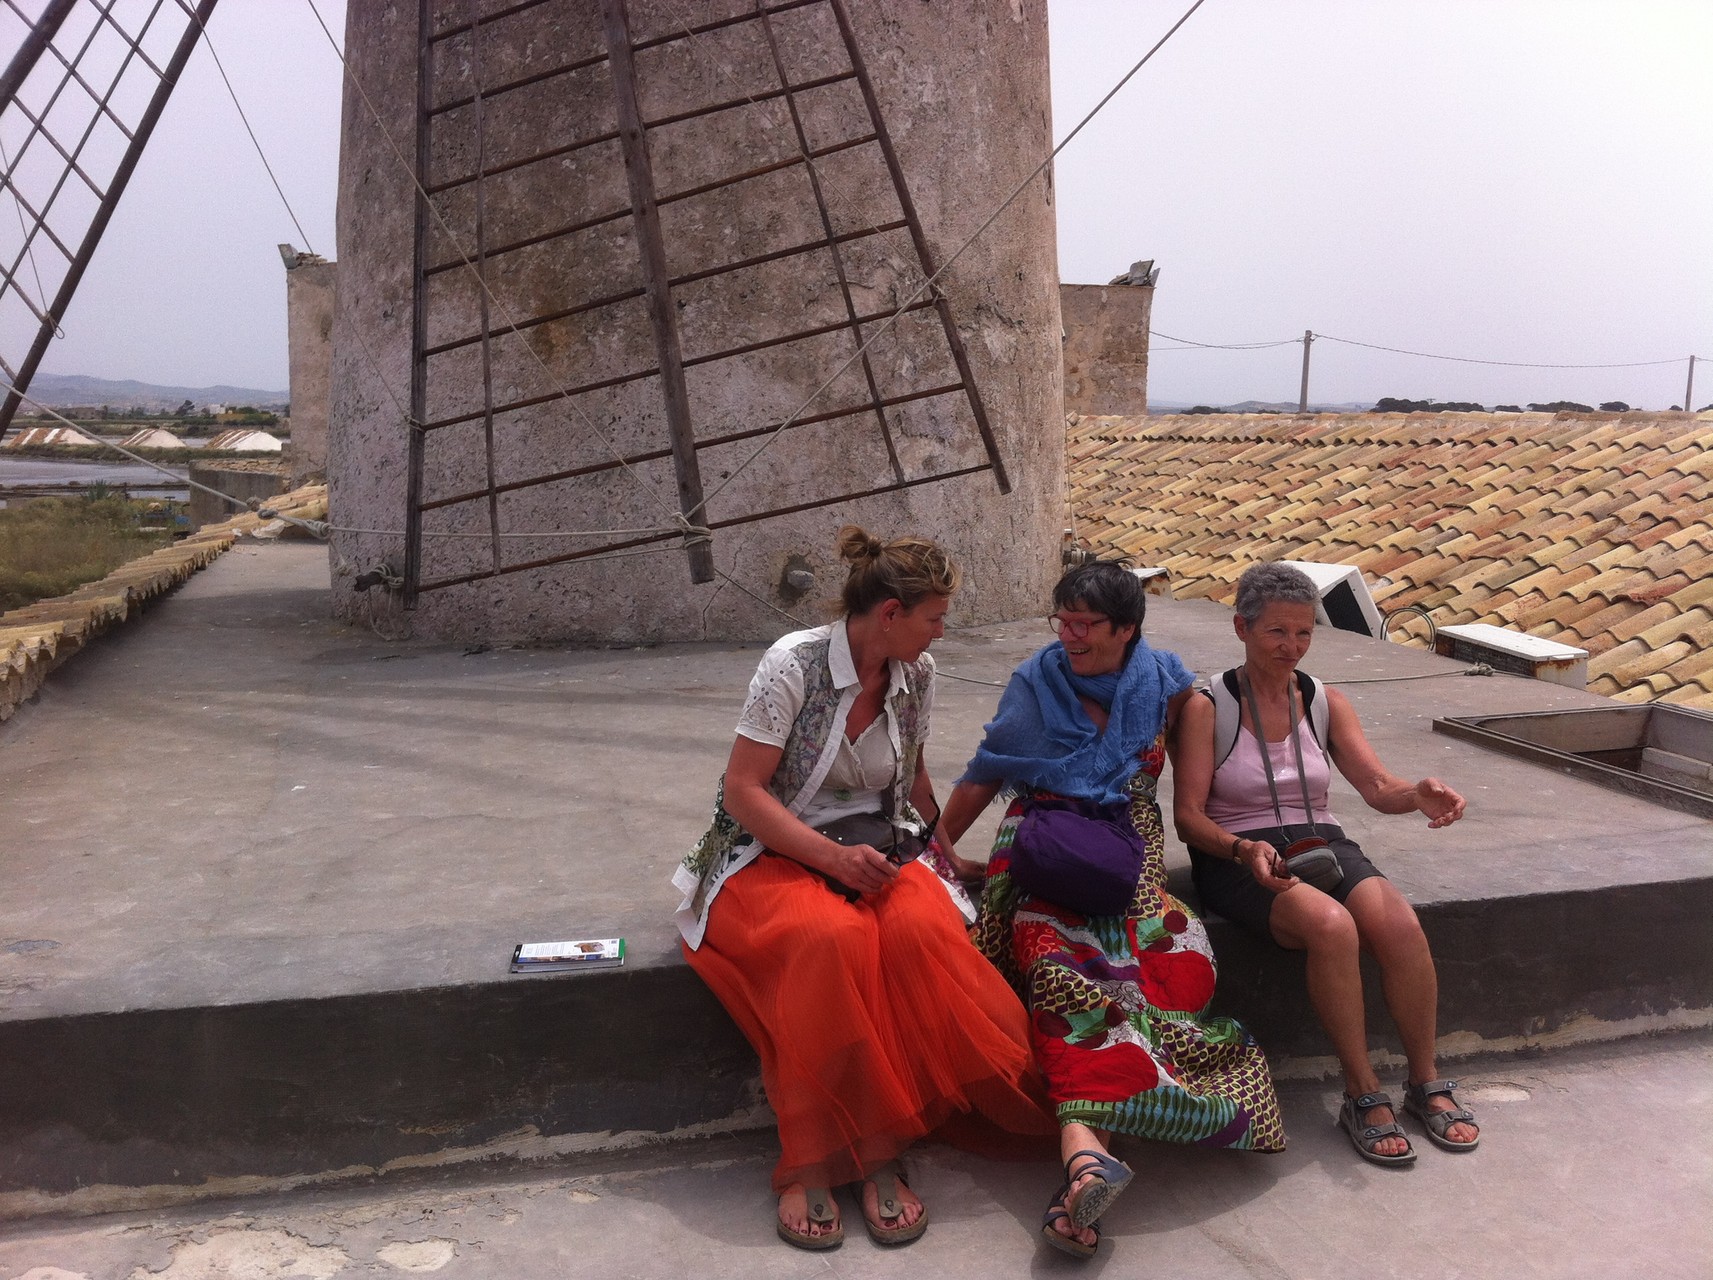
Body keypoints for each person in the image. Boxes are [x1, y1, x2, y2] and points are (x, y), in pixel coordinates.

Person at [673, 526, 1056, 1252]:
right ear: (888, 613)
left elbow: (909, 779)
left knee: (923, 932)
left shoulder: (918, 674)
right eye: (932, 617)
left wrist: (945, 855)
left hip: (875, 849)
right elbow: (745, 791)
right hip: (771, 848)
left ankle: (877, 1145)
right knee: (827, 941)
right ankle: (819, 1158)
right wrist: (828, 859)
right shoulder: (793, 664)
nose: (941, 630)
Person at [940, 561, 1285, 1261]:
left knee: (1159, 972)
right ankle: (1086, 1162)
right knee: (1062, 975)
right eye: (1061, 620)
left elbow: (1187, 810)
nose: (1067, 636)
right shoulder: (1035, 683)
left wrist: (1245, 846)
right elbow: (985, 771)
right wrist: (938, 853)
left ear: (1127, 629)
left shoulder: (1173, 697)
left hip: (1129, 863)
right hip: (1041, 852)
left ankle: (1088, 1156)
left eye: (1084, 624)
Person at [1171, 561, 1478, 1169]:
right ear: (1241, 628)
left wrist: (1416, 795)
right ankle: (1362, 1091)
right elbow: (1188, 817)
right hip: (1239, 853)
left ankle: (1424, 1079)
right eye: (1276, 633)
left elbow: (1376, 785)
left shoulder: (1323, 701)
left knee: (1399, 925)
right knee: (1334, 929)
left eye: (1304, 633)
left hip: (1318, 842)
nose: (1292, 647)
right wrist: (1241, 849)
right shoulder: (1208, 707)